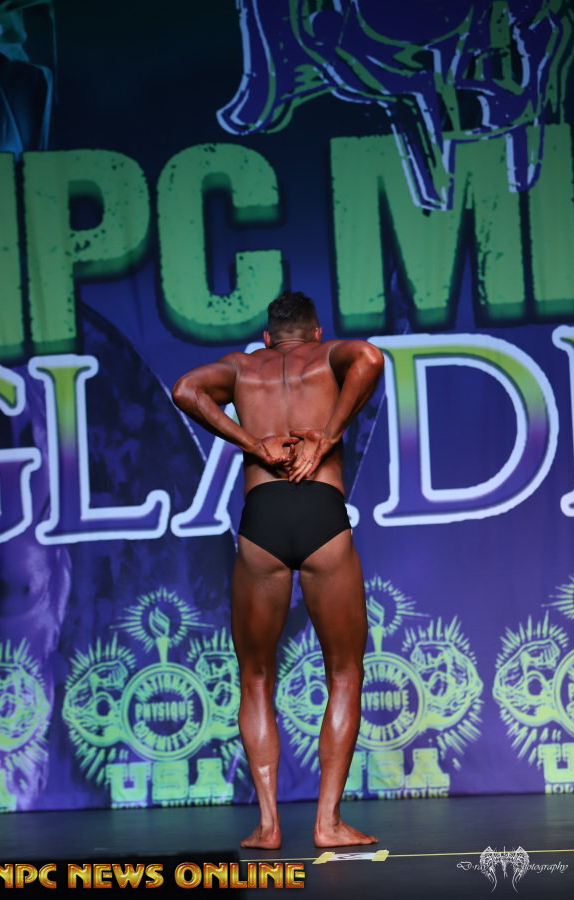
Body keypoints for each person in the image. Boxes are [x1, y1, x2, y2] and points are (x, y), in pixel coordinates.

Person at [171, 291, 384, 848]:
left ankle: (268, 825)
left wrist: (253, 443)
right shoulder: (329, 355)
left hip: (261, 519)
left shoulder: (243, 367)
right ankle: (327, 823)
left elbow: (185, 389)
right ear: (315, 333)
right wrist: (327, 436)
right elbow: (370, 357)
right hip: (322, 513)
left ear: (267, 338)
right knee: (344, 672)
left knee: (256, 676)